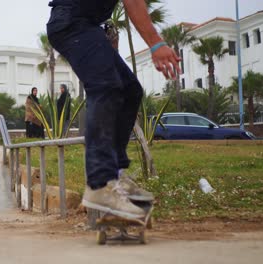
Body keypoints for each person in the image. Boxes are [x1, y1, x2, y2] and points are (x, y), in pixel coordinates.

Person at [46, 0, 181, 220]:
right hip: (72, 23)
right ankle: (100, 183)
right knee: (105, 87)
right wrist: (156, 44)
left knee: (130, 91)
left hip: (85, 25)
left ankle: (115, 176)